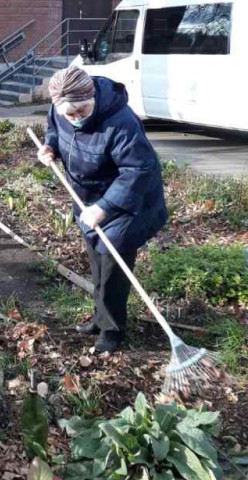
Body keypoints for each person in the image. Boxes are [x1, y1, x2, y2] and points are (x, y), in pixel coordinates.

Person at [37, 65, 167, 354]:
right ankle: (99, 318)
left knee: (113, 270)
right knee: (97, 264)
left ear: (92, 96)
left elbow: (138, 169)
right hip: (87, 200)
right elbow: (54, 131)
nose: (76, 119)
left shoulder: (121, 122)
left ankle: (113, 330)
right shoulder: (61, 110)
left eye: (81, 112)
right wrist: (50, 147)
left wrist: (105, 207)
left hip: (127, 203)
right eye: (69, 115)